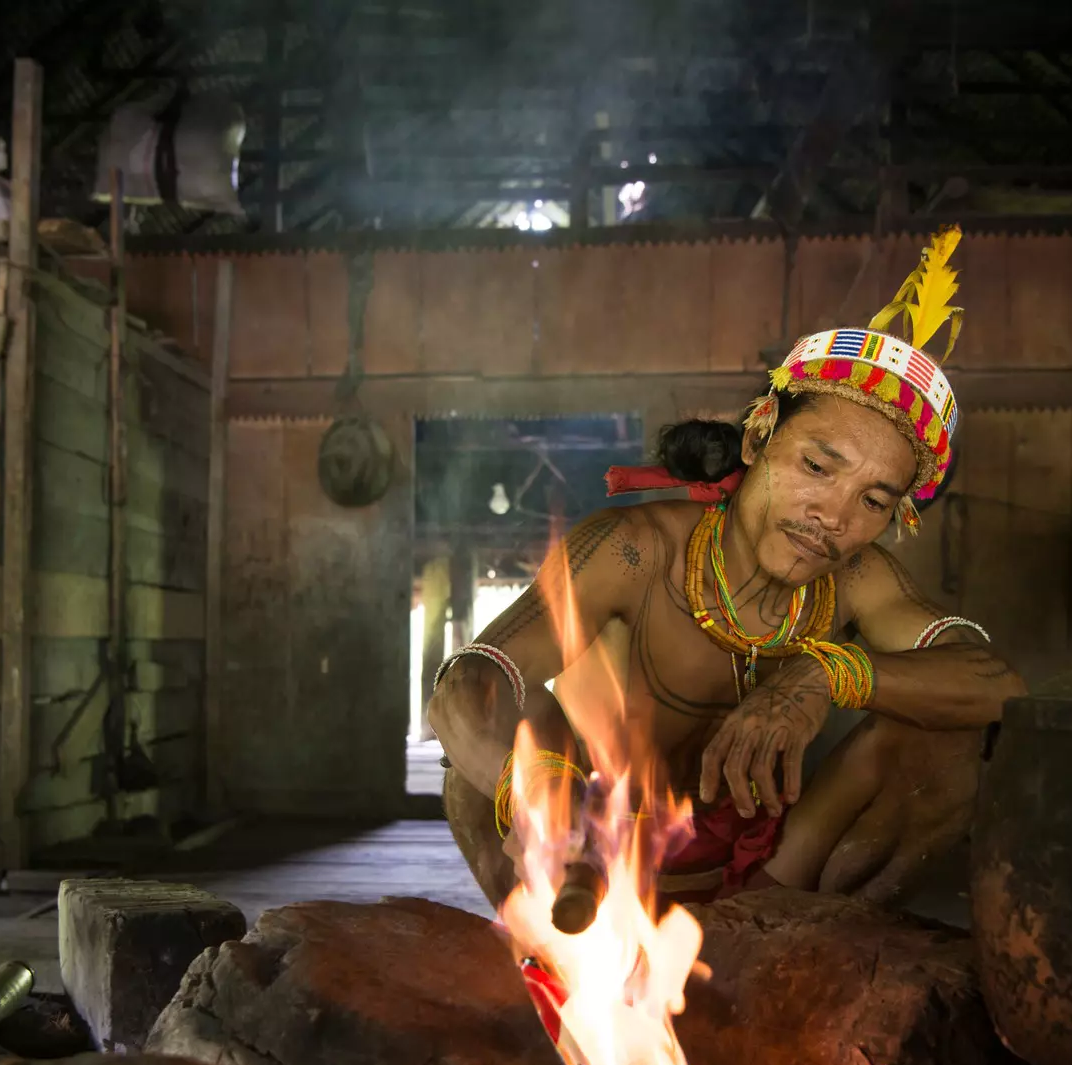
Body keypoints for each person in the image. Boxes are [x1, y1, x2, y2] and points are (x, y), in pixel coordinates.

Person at [428, 228, 1023, 909]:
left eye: (873, 501)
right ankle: (566, 966)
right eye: (817, 466)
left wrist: (827, 671)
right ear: (759, 435)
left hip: (772, 879)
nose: (834, 515)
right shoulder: (635, 550)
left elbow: (996, 683)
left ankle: (811, 953)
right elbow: (470, 681)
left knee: (943, 744)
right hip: (598, 867)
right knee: (484, 752)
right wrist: (532, 790)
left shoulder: (858, 579)